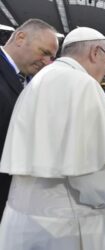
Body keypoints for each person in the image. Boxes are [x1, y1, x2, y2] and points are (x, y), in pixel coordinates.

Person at [0, 27, 105, 250]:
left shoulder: (35, 81)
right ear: (95, 53)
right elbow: (100, 185)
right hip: (66, 229)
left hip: (20, 223)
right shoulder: (84, 84)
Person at [0, 18, 59, 220]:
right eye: (44, 53)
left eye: (52, 57)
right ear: (20, 38)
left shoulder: (32, 82)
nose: (47, 62)